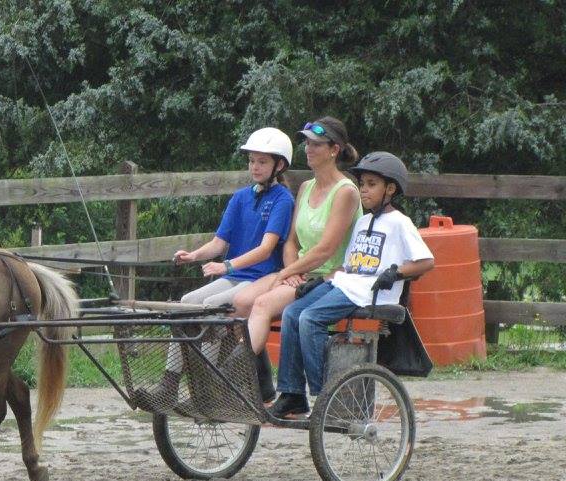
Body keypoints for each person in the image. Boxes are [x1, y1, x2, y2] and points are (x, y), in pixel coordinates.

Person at [133, 127, 295, 411]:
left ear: (279, 165)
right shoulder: (241, 197)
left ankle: (206, 389)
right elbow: (220, 242)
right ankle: (169, 387)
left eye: (262, 162)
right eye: (252, 161)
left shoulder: (283, 200)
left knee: (209, 308)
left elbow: (267, 249)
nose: (254, 167)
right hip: (236, 277)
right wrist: (193, 255)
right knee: (185, 305)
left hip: (262, 277)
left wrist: (227, 265)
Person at [268, 151, 435, 417]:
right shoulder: (364, 222)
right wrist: (320, 281)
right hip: (347, 284)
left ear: (390, 189)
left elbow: (426, 262)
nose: (364, 190)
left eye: (372, 184)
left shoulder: (399, 223)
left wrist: (396, 273)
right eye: (362, 184)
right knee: (291, 313)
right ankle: (292, 394)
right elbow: (349, 265)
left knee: (310, 319)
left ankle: (326, 394)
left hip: (370, 292)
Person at [233, 117, 363, 364]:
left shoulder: (346, 191)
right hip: (300, 273)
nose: (308, 149)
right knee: (240, 302)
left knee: (261, 305)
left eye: (316, 144)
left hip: (328, 277)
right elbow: (291, 242)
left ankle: (233, 376)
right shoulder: (305, 187)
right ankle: (258, 385)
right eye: (306, 143)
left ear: (334, 150)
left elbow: (326, 249)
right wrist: (291, 272)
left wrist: (288, 273)